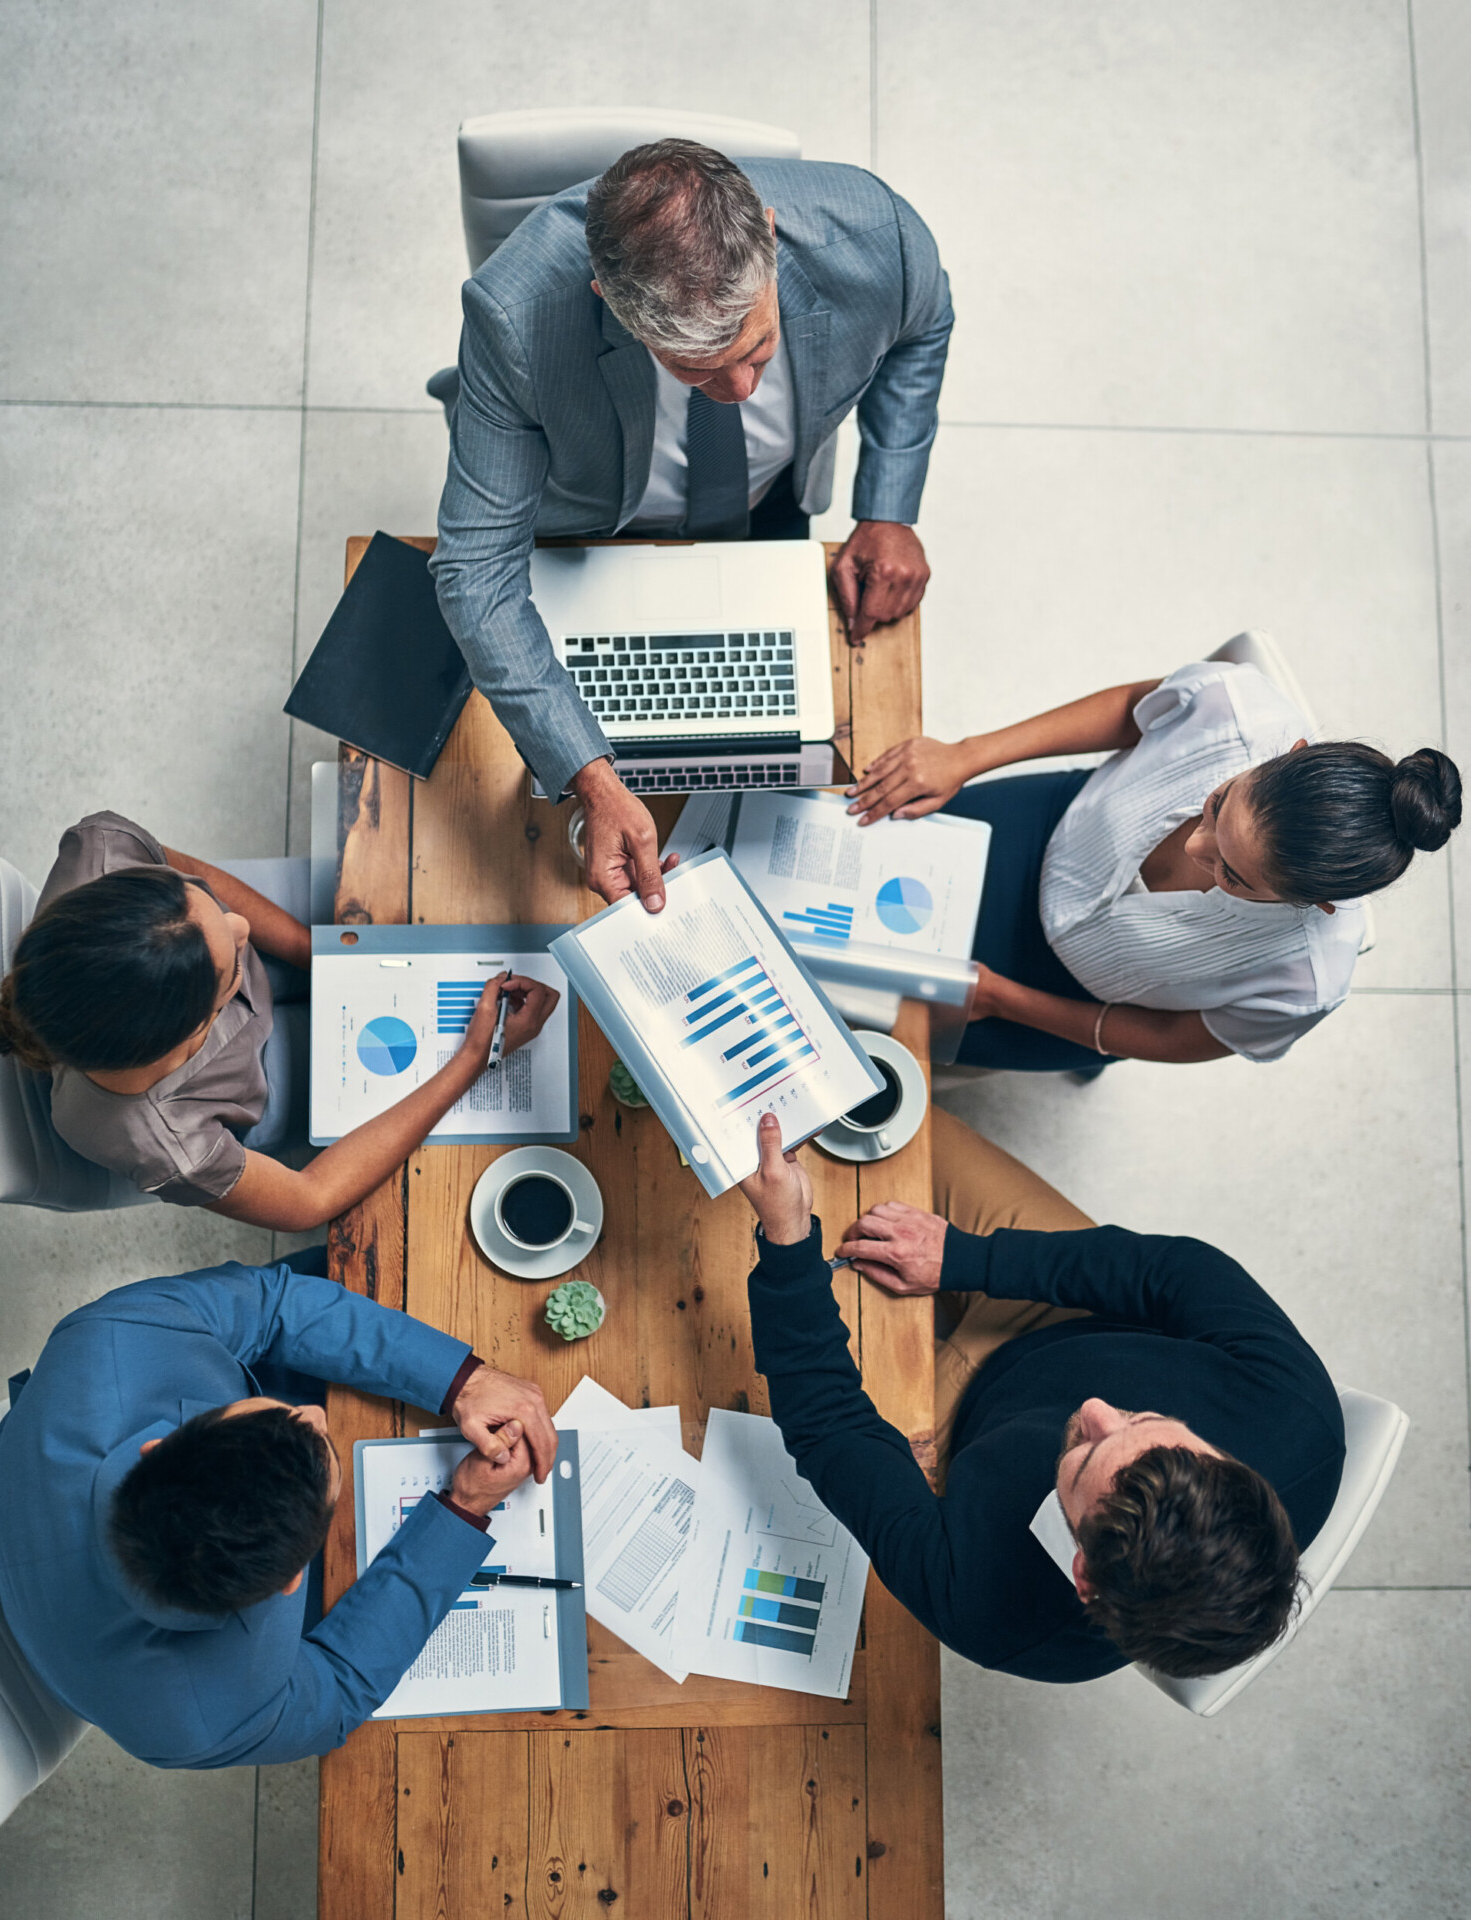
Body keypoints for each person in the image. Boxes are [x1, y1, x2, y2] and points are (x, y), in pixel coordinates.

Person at [432, 138, 953, 911]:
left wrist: (887, 505)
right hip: (593, 526)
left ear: (769, 236)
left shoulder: (882, 238)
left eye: (758, 347)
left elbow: (924, 331)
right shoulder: (515, 318)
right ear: (609, 299)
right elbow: (474, 573)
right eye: (696, 370)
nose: (738, 390)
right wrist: (590, 776)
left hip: (770, 501)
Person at [740, 1108, 1345, 1682]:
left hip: (956, 1434)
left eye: (1086, 1455)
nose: (1094, 1409)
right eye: (1146, 1418)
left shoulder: (999, 1618)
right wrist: (967, 1256)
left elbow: (829, 1425)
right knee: (872, 1111)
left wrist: (787, 1239)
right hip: (1062, 1315)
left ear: (1085, 1575)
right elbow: (1172, 1271)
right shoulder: (1297, 1414)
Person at [0, 1247, 559, 1768]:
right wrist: (463, 1509)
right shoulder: (201, 1721)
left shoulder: (114, 1335)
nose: (315, 1415)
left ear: (158, 1446)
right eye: (316, 1436)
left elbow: (272, 1300)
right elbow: (336, 1693)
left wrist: (460, 1381)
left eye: (280, 1414)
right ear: (291, 1584)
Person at [845, 658, 1462, 1069]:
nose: (1195, 848)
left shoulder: (1304, 983)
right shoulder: (1234, 707)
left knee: (870, 1039)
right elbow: (1131, 709)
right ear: (1288, 754)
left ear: (1315, 904)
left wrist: (1006, 1001)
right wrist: (967, 754)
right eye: (1217, 806)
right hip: (1050, 828)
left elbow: (1170, 1039)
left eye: (1233, 876)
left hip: (1064, 998)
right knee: (839, 873)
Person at [0, 812, 559, 1226]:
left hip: (218, 974)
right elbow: (310, 1199)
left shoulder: (103, 853)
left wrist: (318, 952)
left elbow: (187, 879)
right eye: (226, 966)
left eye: (204, 907)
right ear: (192, 1037)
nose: (240, 927)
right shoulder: (172, 1145)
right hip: (245, 1076)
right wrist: (471, 1058)